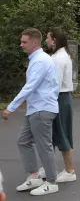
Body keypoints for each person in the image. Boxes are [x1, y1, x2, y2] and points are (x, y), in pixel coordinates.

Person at [2, 28, 60, 196]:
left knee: (44, 146)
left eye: (24, 42)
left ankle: (51, 181)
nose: (21, 45)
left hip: (42, 109)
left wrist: (11, 107)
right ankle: (34, 176)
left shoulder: (41, 61)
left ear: (35, 42)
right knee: (23, 141)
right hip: (35, 109)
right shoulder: (36, 59)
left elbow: (30, 87)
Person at [38, 28, 76, 183]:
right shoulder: (61, 55)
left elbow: (55, 84)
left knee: (61, 134)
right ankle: (48, 167)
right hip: (62, 97)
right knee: (53, 135)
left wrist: (45, 101)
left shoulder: (57, 59)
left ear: (54, 40)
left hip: (59, 98)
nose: (45, 40)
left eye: (47, 38)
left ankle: (69, 171)